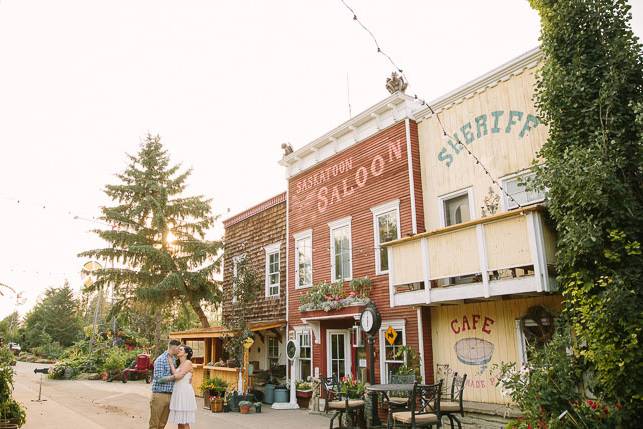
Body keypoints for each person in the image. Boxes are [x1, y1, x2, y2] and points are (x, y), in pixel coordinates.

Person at [149, 339, 181, 429]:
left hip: (170, 395)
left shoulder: (174, 359)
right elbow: (159, 379)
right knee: (154, 424)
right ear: (173, 347)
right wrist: (174, 377)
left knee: (162, 424)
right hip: (159, 395)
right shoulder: (161, 359)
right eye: (178, 348)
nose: (179, 350)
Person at [165, 344, 197, 429]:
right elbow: (177, 374)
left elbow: (179, 376)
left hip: (184, 392)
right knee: (180, 421)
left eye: (181, 350)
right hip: (178, 391)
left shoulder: (188, 362)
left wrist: (171, 364)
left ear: (186, 354)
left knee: (185, 421)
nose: (178, 350)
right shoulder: (180, 364)